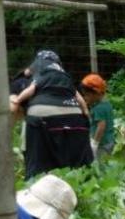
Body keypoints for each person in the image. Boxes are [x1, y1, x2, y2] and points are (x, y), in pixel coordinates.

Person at [10, 50, 94, 178]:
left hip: (40, 117)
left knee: (38, 172)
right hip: (75, 117)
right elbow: (79, 98)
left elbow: (14, 107)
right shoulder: (65, 77)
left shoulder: (30, 79)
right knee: (76, 169)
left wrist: (17, 100)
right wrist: (87, 116)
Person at [80, 73, 116, 160]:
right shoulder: (106, 104)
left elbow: (101, 126)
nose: (85, 98)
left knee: (100, 165)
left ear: (96, 93)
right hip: (109, 141)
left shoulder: (98, 108)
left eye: (86, 95)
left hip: (102, 144)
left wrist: (95, 143)